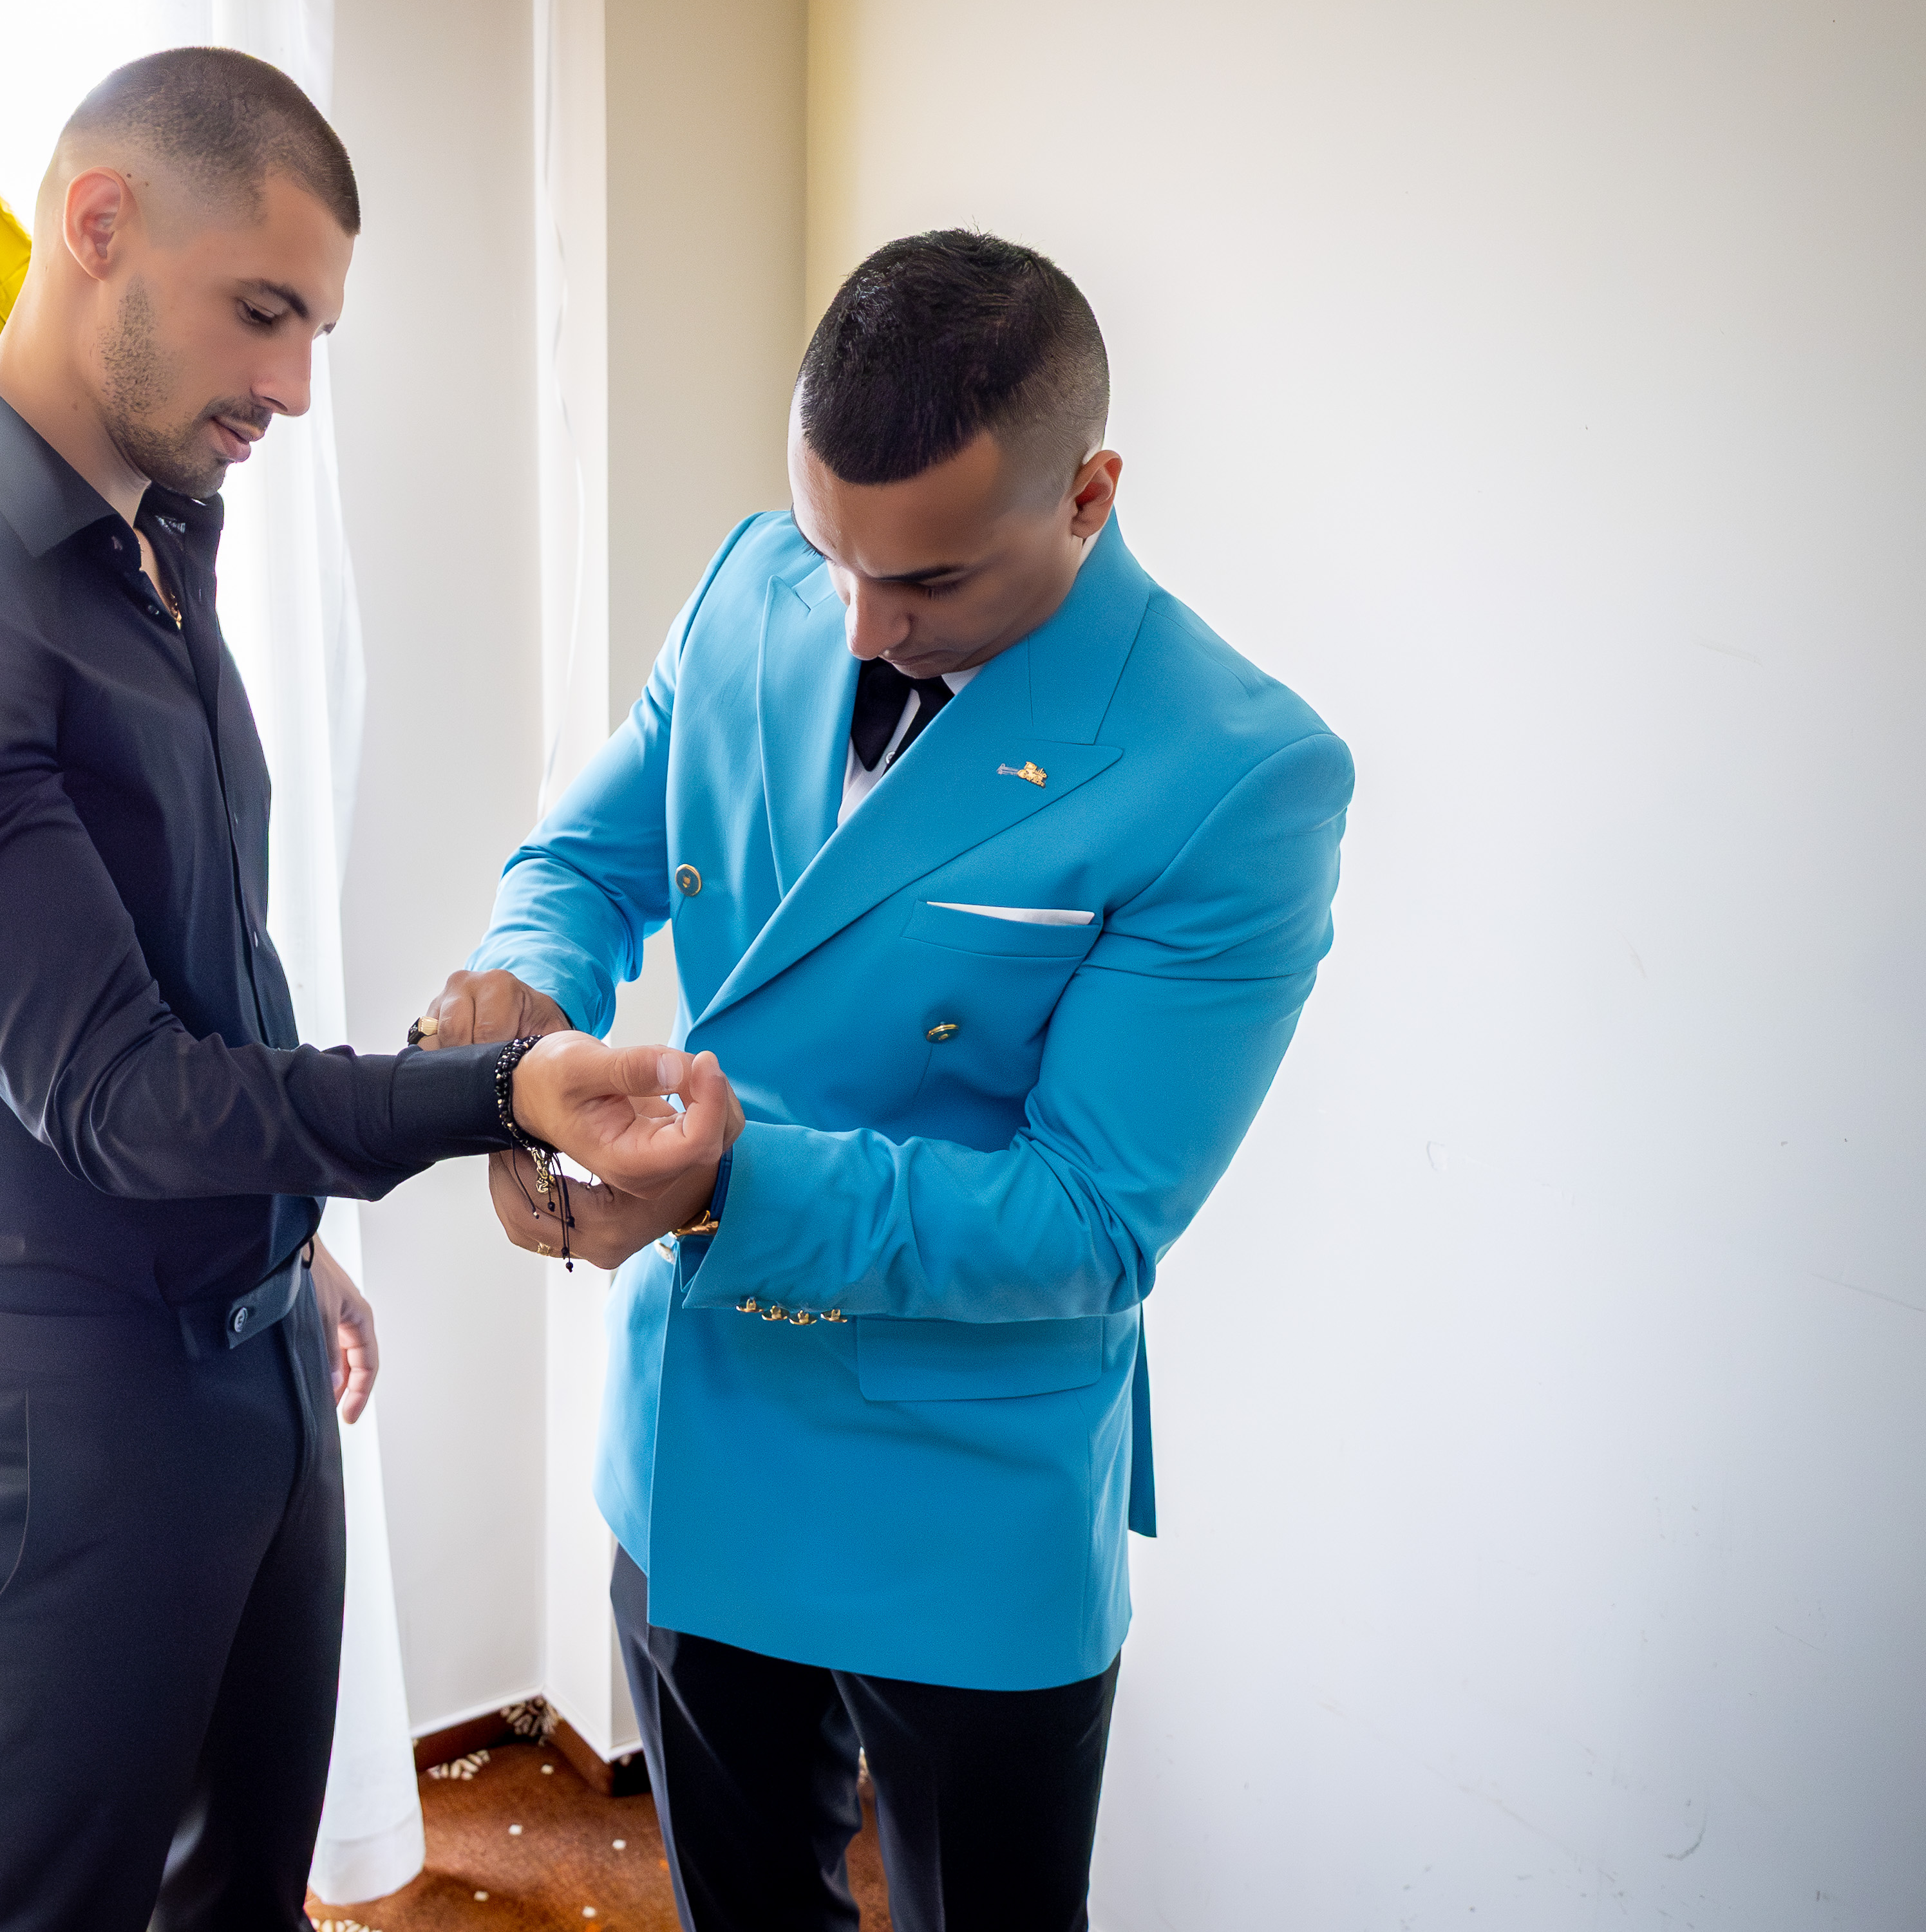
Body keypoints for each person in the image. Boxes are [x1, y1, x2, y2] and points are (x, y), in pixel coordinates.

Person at [0, 47, 732, 1932]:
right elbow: (123, 1094)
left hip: (261, 1352)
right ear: (97, 225)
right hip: (69, 1423)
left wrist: (295, 1236)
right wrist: (498, 1089)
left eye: (317, 331)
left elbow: (210, 957)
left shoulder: (162, 530)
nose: (292, 385)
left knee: (246, 1900)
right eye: (263, 313)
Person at [423, 229, 1352, 1931]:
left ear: (1089, 496)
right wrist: (524, 1002)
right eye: (827, 548)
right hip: (700, 1424)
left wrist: (721, 1185)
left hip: (964, 1489)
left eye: (925, 581)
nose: (856, 621)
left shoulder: (1240, 771)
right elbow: (582, 860)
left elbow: (1089, 1217)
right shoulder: (754, 582)